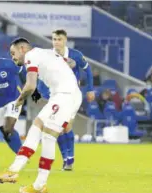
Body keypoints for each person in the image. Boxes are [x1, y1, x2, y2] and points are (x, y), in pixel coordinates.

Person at [0, 38, 82, 193]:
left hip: (65, 96)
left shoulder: (31, 56)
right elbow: (71, 62)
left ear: (23, 48)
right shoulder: (46, 53)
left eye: (13, 53)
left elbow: (30, 85)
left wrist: (19, 100)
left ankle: (25, 177)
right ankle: (28, 179)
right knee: (39, 129)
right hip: (67, 96)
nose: (13, 57)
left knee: (46, 135)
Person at [50, 29, 94, 171]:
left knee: (66, 125)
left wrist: (90, 89)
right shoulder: (49, 56)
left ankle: (70, 158)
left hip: (72, 94)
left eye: (59, 39)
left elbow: (87, 70)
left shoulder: (75, 55)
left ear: (65, 40)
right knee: (57, 129)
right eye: (54, 39)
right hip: (56, 94)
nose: (57, 42)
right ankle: (66, 159)